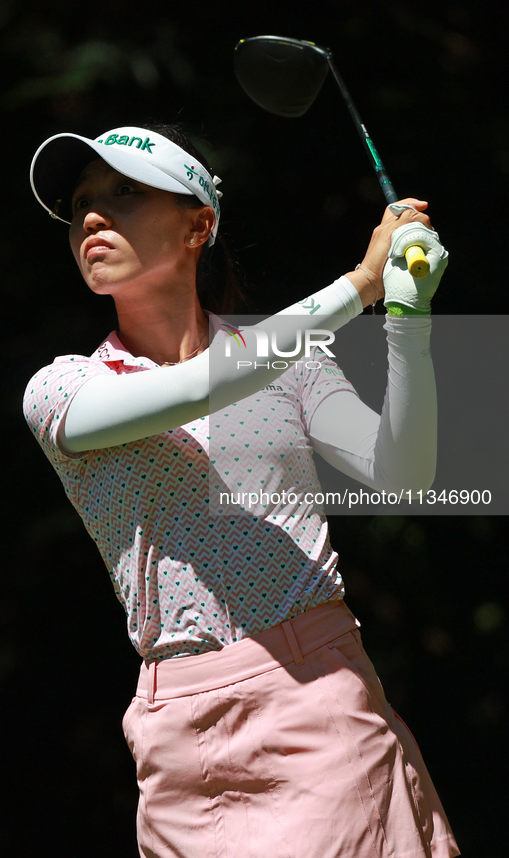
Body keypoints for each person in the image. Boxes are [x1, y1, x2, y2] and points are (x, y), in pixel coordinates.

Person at [24, 122, 458, 858]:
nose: (92, 215)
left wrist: (406, 320)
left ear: (198, 225)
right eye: (79, 204)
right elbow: (202, 385)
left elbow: (402, 474)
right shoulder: (62, 388)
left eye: (124, 192)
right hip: (175, 737)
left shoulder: (288, 363)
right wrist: (359, 284)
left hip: (316, 699)